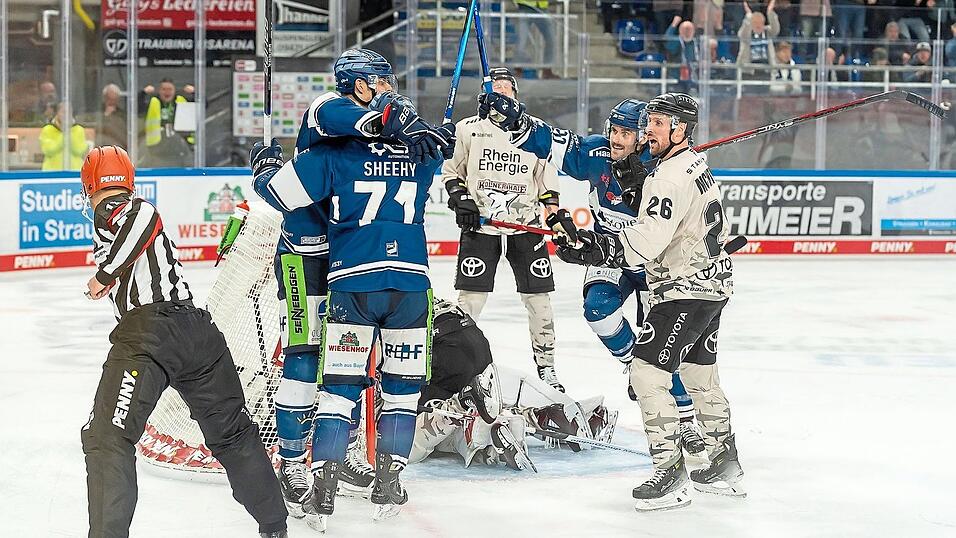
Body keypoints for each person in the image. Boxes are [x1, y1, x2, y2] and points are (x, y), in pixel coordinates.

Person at [252, 48, 455, 523]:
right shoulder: (327, 108)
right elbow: (356, 121)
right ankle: (293, 463)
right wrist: (403, 120)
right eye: (381, 80)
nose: (389, 87)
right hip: (307, 256)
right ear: (360, 84)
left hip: (348, 257)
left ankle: (335, 459)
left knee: (345, 368)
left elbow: (383, 131)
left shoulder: (374, 135)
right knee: (304, 358)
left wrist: (410, 127)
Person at [475, 93, 710, 458]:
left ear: (644, 137)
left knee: (663, 353)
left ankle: (687, 421)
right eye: (614, 130)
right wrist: (515, 118)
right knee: (598, 310)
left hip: (654, 263)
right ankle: (632, 363)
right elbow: (550, 141)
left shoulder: (663, 166)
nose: (617, 139)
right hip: (611, 255)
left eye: (626, 133)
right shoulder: (597, 154)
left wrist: (646, 174)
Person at [543, 93, 744, 511]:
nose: (647, 129)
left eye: (657, 122)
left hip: (682, 288)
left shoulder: (668, 176)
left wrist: (596, 248)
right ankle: (723, 465)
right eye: (648, 121)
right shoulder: (693, 165)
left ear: (681, 130)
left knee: (647, 373)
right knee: (699, 374)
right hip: (713, 285)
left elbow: (648, 242)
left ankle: (670, 473)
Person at [78, 145, 289, 538]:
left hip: (148, 336)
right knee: (233, 433)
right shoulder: (111, 222)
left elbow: (143, 218)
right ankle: (275, 526)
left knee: (107, 438)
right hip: (197, 335)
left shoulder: (125, 209)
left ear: (90, 186)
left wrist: (104, 275)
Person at [441, 67, 564, 392]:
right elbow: (451, 172)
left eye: (508, 88)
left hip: (526, 228)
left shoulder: (536, 133)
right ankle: (453, 366)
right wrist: (461, 200)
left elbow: (547, 184)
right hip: (482, 228)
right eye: (496, 88)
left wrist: (555, 215)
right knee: (470, 300)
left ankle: (547, 369)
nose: (502, 93)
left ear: (516, 94)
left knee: (539, 302)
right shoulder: (467, 129)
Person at [411, 298, 617, 471]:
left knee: (402, 444)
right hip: (469, 334)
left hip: (435, 346)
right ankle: (537, 416)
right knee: (482, 402)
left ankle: (469, 415)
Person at [140, 78, 195, 167]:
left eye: (170, 89)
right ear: (159, 91)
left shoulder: (181, 101)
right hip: (157, 150)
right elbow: (137, 109)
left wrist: (195, 93)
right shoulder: (153, 102)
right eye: (164, 89)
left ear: (174, 91)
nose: (167, 92)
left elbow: (203, 106)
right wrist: (143, 93)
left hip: (179, 149)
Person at [737, 0, 781, 84]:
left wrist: (770, 12)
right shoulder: (746, 33)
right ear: (751, 23)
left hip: (766, 69)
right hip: (749, 70)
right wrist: (749, 16)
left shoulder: (768, 32)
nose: (758, 25)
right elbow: (742, 33)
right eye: (755, 23)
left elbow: (776, 29)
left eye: (760, 23)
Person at [513, 0, 559, 79]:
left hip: (542, 8)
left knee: (551, 39)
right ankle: (518, 70)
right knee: (521, 40)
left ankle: (547, 69)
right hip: (525, 7)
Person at [39, 102, 88, 170]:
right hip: (52, 173)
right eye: (63, 112)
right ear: (57, 113)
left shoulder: (79, 129)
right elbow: (49, 150)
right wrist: (64, 132)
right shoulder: (48, 129)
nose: (66, 115)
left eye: (69, 112)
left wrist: (68, 129)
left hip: (75, 172)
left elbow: (79, 150)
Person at [665, 18, 702, 94]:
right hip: (678, 79)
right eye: (685, 29)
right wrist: (674, 24)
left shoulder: (697, 43)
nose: (687, 32)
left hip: (695, 78)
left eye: (689, 29)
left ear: (694, 31)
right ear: (680, 31)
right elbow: (667, 40)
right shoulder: (676, 42)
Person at [97, 83, 127, 148]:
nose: (112, 102)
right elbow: (97, 130)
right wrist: (106, 115)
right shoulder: (98, 112)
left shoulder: (122, 115)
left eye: (114, 100)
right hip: (102, 149)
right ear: (104, 98)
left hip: (119, 149)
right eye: (109, 99)